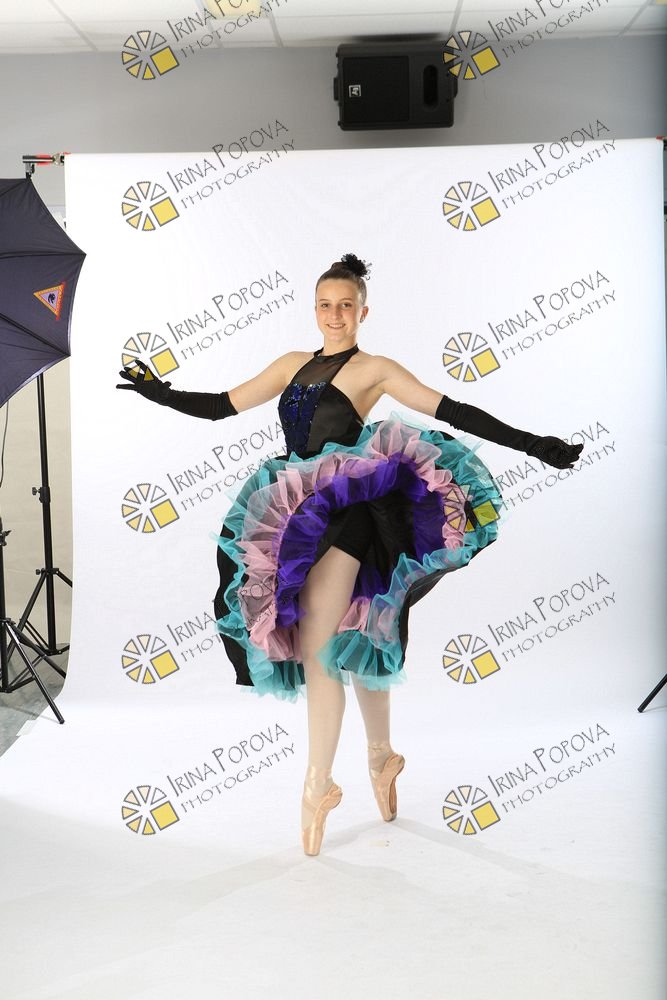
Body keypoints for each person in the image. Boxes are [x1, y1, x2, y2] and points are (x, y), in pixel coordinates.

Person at [118, 253, 583, 856]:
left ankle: (318, 785)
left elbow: (453, 410)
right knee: (360, 632)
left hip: (350, 515)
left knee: (319, 648)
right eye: (325, 305)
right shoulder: (291, 364)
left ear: (363, 311)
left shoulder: (375, 369)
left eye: (345, 306)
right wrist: (159, 391)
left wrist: (533, 444)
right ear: (314, 309)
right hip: (293, 512)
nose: (335, 315)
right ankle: (382, 756)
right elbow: (219, 406)